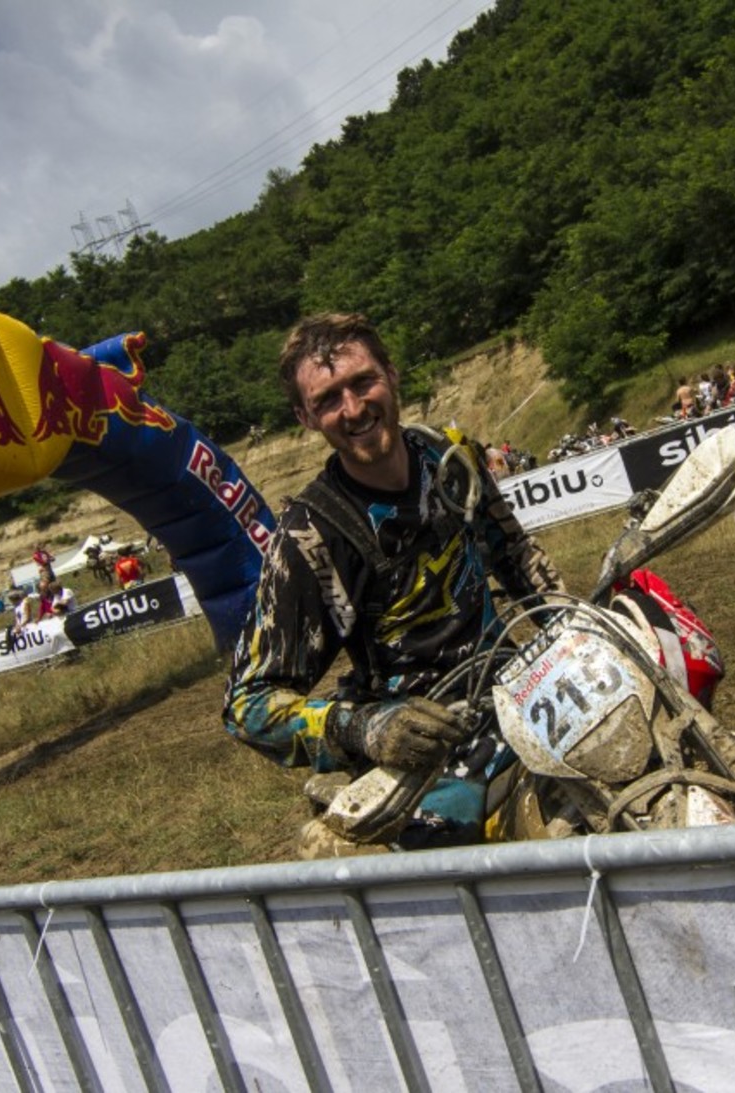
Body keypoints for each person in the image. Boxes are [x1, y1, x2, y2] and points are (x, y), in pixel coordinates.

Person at [224, 312, 564, 851]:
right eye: (328, 399)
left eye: (363, 382)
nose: (354, 409)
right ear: (306, 417)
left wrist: (574, 628)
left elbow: (516, 556)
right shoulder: (310, 538)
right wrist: (367, 729)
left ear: (392, 373)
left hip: (523, 691)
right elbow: (247, 704)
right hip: (428, 753)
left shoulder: (450, 453)